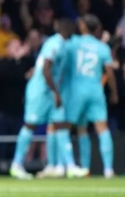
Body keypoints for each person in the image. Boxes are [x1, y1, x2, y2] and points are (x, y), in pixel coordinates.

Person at [10, 18, 87, 180]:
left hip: (51, 92)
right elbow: (46, 69)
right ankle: (16, 165)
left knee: (60, 125)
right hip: (40, 91)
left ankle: (70, 167)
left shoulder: (62, 44)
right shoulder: (54, 44)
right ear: (66, 28)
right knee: (30, 125)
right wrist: (56, 92)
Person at [65, 15, 118, 178]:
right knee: (102, 128)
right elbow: (109, 71)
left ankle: (79, 167)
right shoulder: (102, 47)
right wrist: (114, 92)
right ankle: (108, 169)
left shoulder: (73, 43)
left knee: (71, 128)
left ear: (83, 27)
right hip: (96, 90)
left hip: (76, 91)